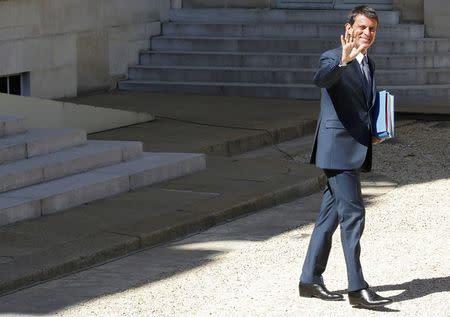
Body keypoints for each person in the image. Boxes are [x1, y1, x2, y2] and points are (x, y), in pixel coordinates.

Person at [298, 5, 393, 309]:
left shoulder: (369, 64)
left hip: (353, 147)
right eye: (362, 27)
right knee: (354, 214)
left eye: (372, 29)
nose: (367, 33)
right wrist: (343, 60)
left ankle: (309, 280)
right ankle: (357, 288)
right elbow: (322, 79)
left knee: (330, 216)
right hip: (336, 149)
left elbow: (362, 108)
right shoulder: (333, 56)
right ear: (349, 27)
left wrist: (374, 130)